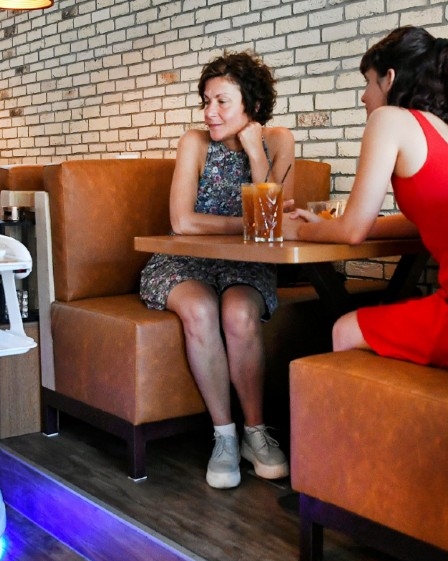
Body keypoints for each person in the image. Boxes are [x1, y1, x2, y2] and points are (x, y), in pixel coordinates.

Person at [283, 26, 448, 371]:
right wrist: (332, 224)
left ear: (390, 79)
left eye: (367, 82)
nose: (364, 96)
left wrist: (298, 232)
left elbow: (353, 232)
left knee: (344, 329)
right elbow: (432, 221)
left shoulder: (389, 120)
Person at [139, 50, 295, 489]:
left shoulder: (279, 141)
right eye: (206, 100)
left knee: (240, 315)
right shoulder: (194, 143)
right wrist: (249, 222)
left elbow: (274, 227)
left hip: (246, 262)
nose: (209, 112)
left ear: (254, 107)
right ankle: (223, 435)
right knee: (202, 310)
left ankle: (256, 434)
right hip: (182, 260)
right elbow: (182, 223)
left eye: (222, 101)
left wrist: (254, 152)